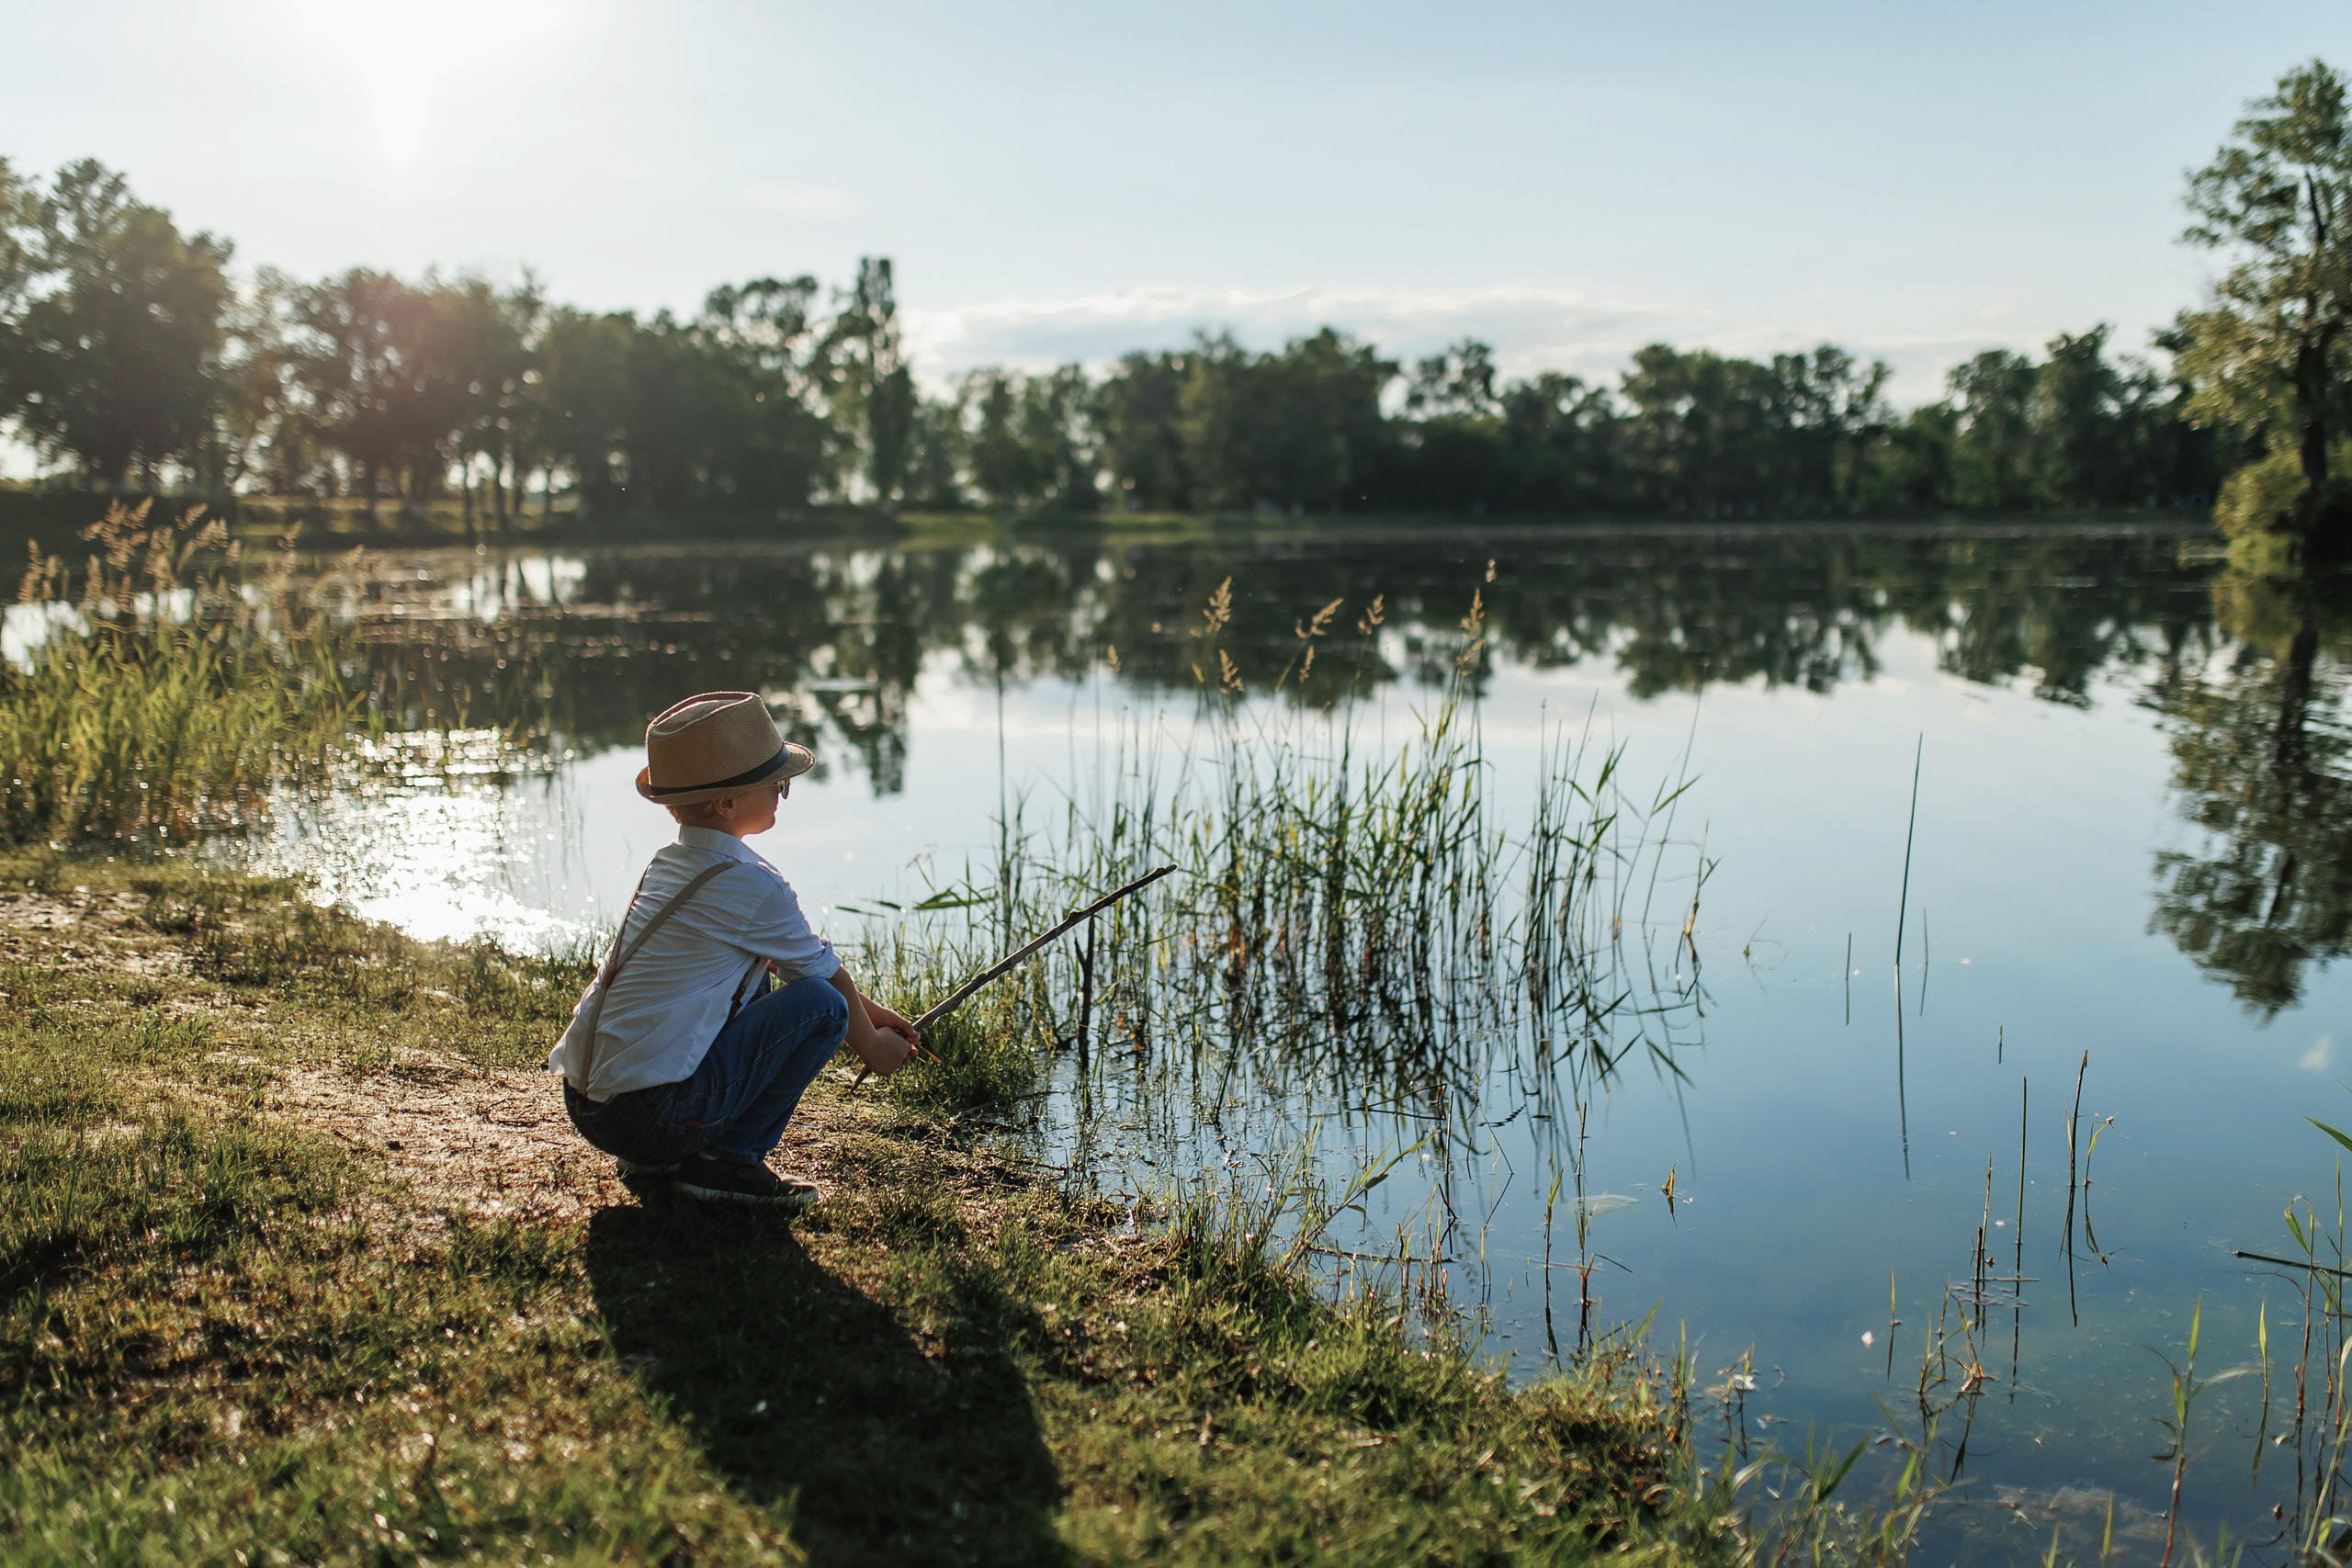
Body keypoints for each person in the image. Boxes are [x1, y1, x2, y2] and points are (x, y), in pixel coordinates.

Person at [548, 691, 919, 1208]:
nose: (782, 794)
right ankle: (726, 1163)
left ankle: (665, 1155)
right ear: (726, 803)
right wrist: (874, 1047)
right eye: (778, 784)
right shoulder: (754, 885)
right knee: (824, 1007)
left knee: (767, 975)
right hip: (653, 1117)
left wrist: (877, 1014)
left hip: (593, 1106)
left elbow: (799, 962)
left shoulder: (670, 864)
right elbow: (824, 983)